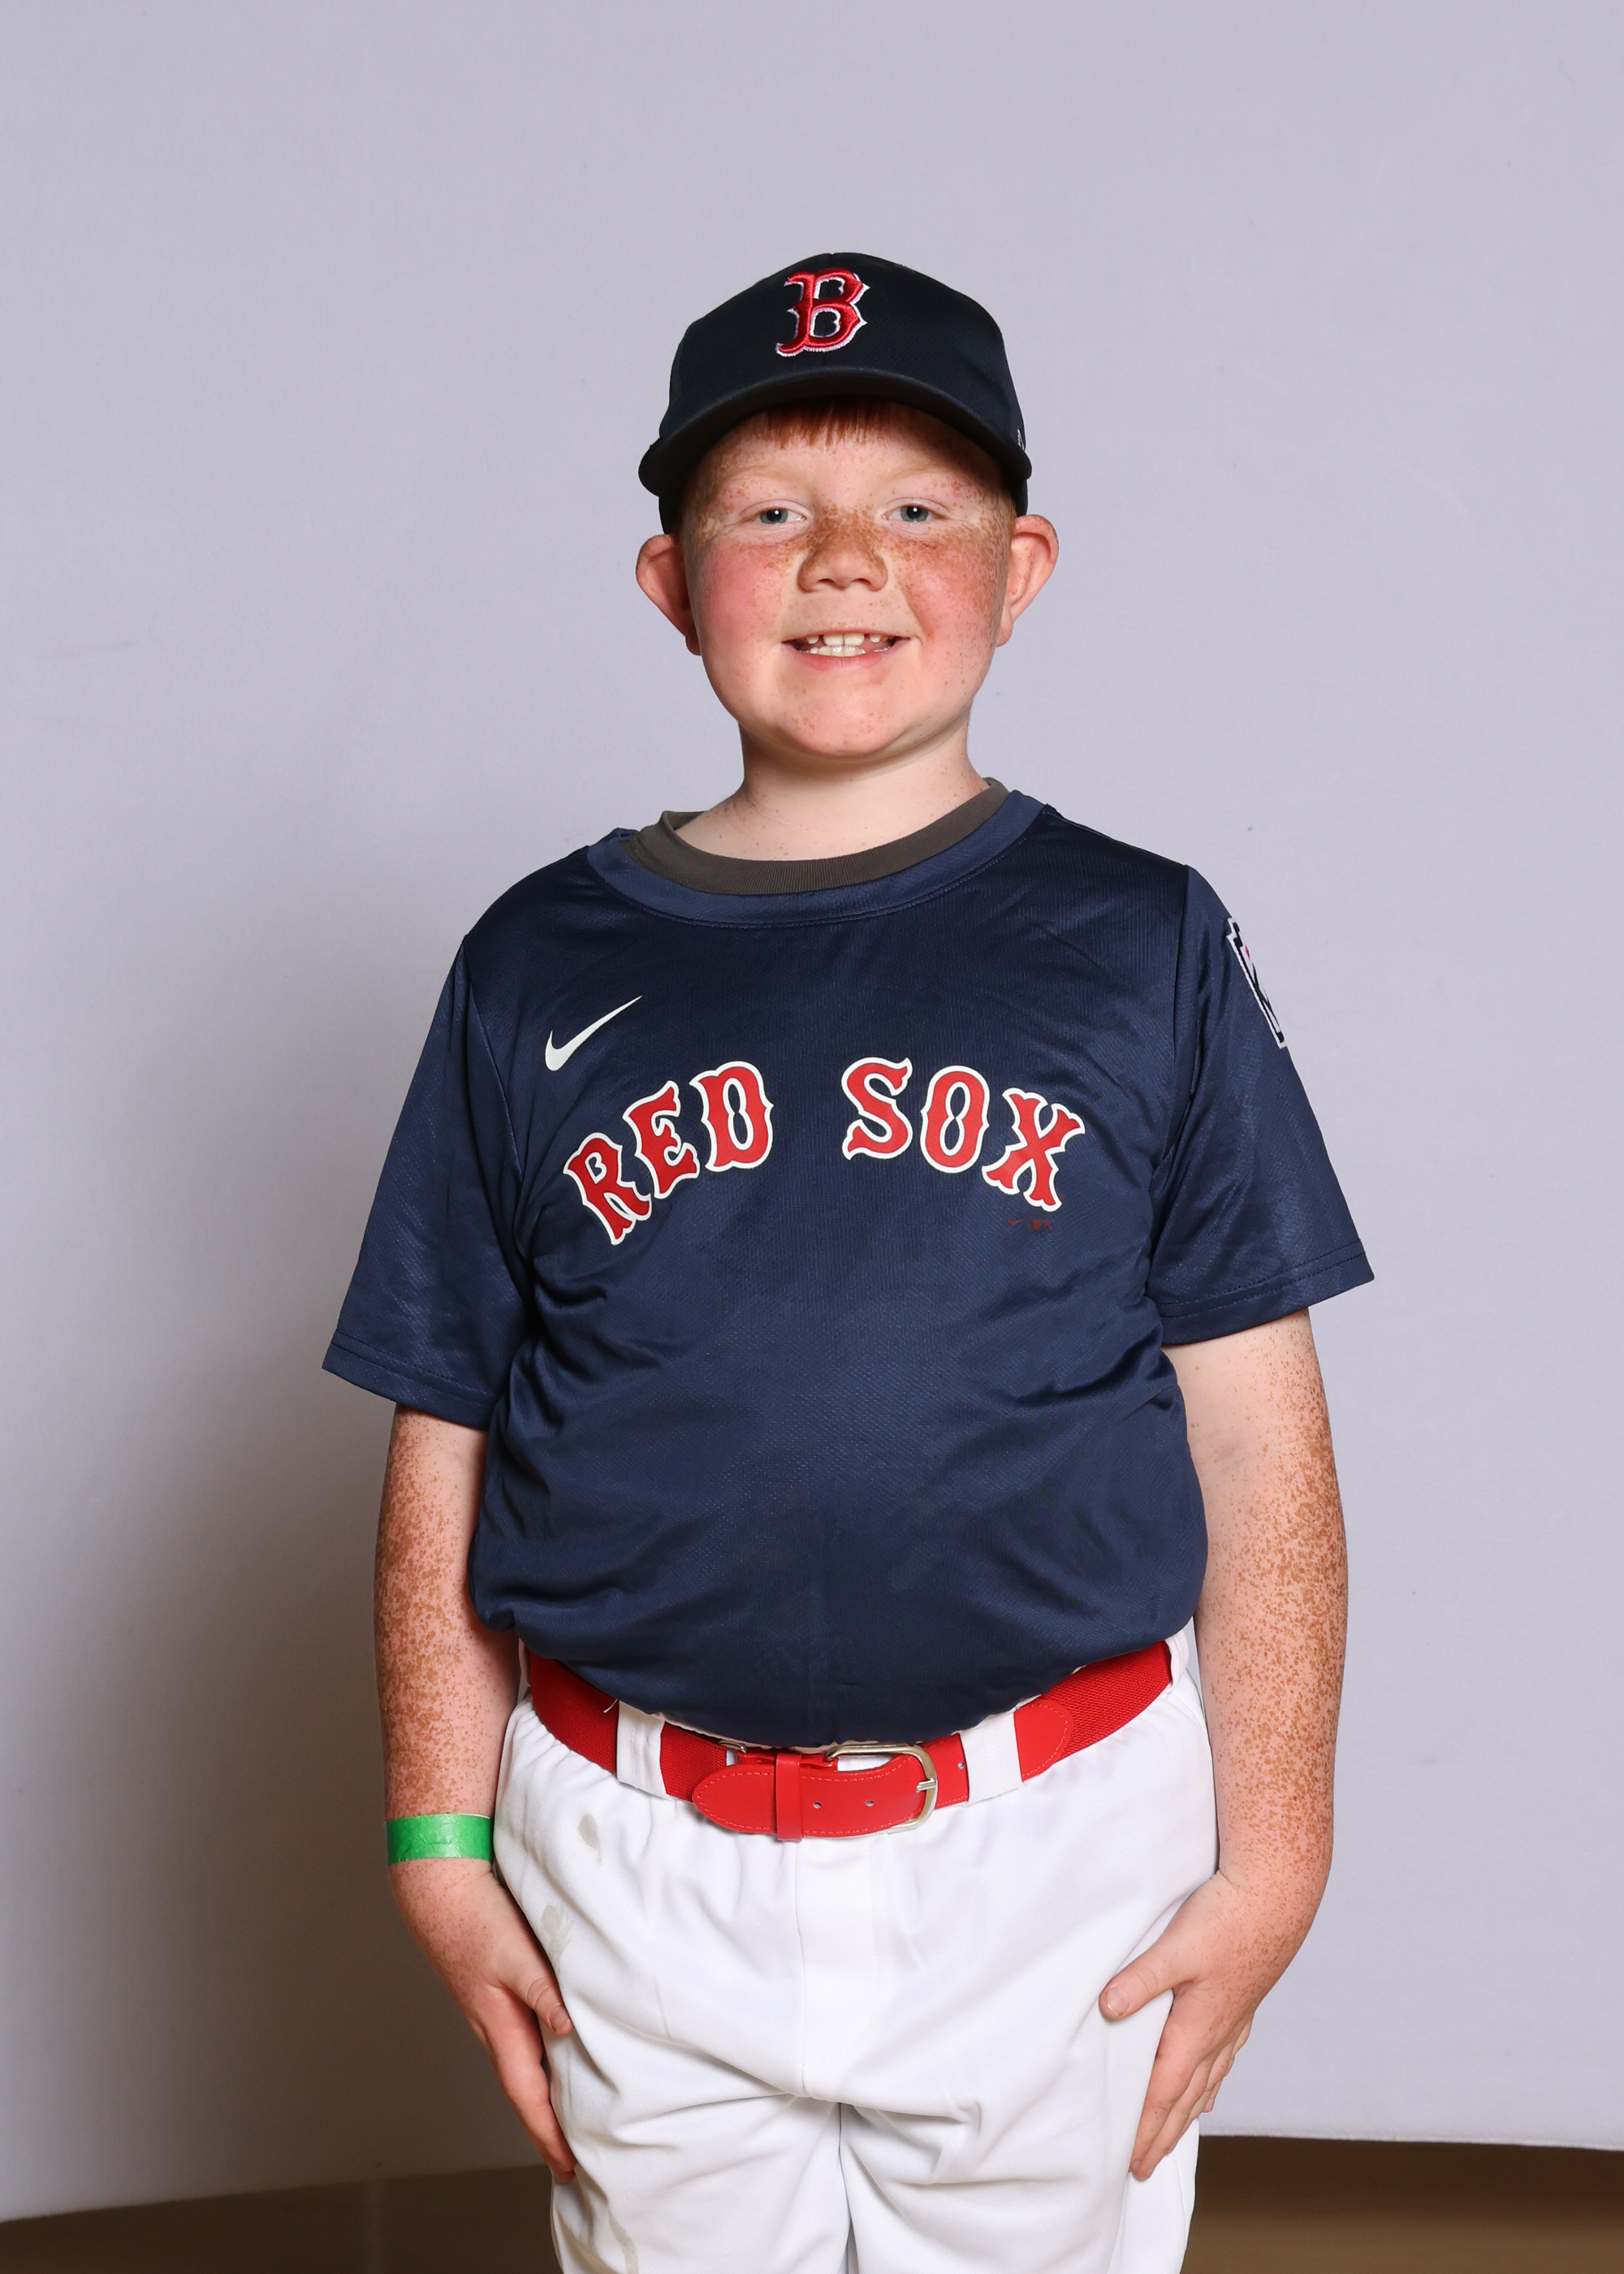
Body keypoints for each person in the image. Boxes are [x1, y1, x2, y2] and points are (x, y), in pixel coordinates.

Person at [325, 252, 1371, 2274]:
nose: (843, 561)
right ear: (669, 579)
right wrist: (437, 1838)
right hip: (634, 1840)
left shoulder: (1139, 937)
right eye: (767, 508)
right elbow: (444, 1422)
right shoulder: (536, 959)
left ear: (1020, 565)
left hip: (1050, 1838)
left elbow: (1262, 1445)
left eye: (915, 505)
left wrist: (1281, 1853)